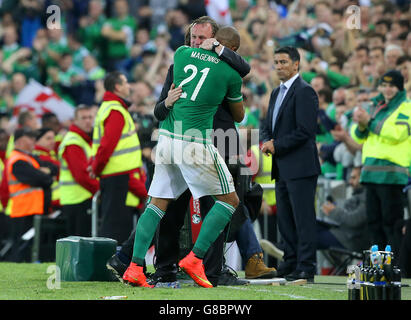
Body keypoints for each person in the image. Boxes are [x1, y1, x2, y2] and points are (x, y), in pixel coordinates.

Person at [107, 17, 274, 287]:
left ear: (215, 40)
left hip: (169, 140)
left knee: (158, 204)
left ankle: (135, 265)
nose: (196, 42)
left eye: (201, 38)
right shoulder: (231, 74)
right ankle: (193, 260)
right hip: (197, 141)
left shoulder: (181, 56)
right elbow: (240, 108)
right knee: (229, 202)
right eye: (194, 37)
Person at [260, 46, 321, 283]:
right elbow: (267, 125)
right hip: (282, 166)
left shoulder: (305, 92)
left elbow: (305, 131)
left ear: (296, 64)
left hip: (301, 167)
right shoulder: (276, 93)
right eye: (276, 62)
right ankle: (290, 262)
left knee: (303, 219)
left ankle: (306, 266)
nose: (279, 67)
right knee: (285, 219)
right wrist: (266, 141)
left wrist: (277, 145)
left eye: (284, 62)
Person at [351, 70, 410, 256]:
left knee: (391, 224)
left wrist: (368, 121)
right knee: (374, 223)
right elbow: (357, 135)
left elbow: (396, 134)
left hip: (392, 175)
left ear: (400, 88)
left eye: (392, 86)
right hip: (370, 173)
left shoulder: (406, 107)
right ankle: (378, 267)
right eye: (384, 85)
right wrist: (360, 124)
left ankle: (393, 267)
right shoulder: (373, 105)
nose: (387, 89)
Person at [90, 71, 143, 243]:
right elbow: (107, 145)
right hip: (117, 174)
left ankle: (112, 264)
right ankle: (109, 264)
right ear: (118, 87)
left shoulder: (110, 107)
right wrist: (97, 168)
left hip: (114, 173)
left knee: (115, 222)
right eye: (126, 82)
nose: (129, 86)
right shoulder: (115, 110)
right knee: (115, 226)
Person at [6, 128, 58, 261]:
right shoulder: (17, 160)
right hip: (24, 210)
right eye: (30, 138)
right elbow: (43, 179)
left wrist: (44, 173)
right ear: (21, 140)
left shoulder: (29, 158)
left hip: (31, 209)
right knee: (23, 246)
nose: (34, 141)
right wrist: (45, 175)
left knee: (30, 245)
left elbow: (53, 168)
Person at [58, 105, 99, 237]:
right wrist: (100, 190)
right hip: (77, 199)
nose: (88, 121)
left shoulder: (83, 139)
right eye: (83, 118)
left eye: (90, 117)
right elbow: (81, 176)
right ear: (75, 121)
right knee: (79, 242)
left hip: (80, 198)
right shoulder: (73, 142)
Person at [317, 166, 368, 253]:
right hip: (343, 233)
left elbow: (354, 220)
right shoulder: (359, 194)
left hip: (351, 239)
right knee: (310, 228)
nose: (350, 181)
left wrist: (333, 210)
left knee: (307, 238)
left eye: (354, 178)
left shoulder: (367, 196)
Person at [33, 127, 61, 211]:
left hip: (54, 199)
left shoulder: (49, 154)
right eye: (48, 138)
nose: (52, 141)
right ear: (37, 140)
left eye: (53, 138)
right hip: (52, 201)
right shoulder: (40, 157)